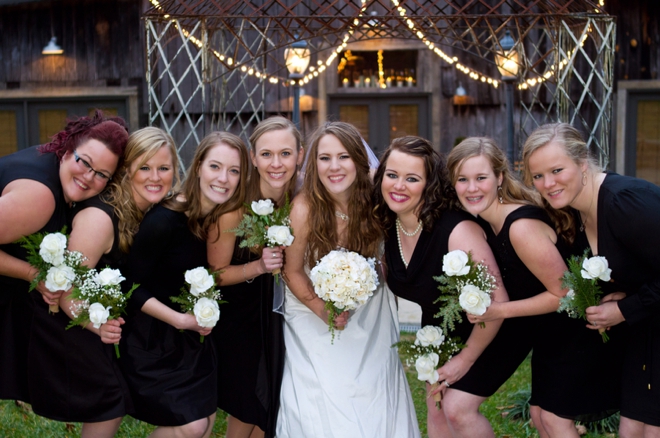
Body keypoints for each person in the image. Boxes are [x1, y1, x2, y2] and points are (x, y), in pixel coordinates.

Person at [447, 137, 623, 437]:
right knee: (542, 417)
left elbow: (565, 294)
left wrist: (498, 310)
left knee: (554, 421)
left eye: (481, 178)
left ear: (500, 177)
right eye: (462, 179)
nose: (471, 188)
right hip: (548, 332)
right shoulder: (489, 223)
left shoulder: (520, 227)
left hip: (576, 328)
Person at [26, 127, 179, 437]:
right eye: (144, 168)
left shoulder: (144, 210)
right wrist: (95, 325)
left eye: (164, 168)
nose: (155, 177)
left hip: (100, 323)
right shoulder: (100, 217)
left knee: (114, 401)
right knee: (110, 402)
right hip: (66, 323)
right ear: (127, 171)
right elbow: (64, 286)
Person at [276, 121, 420, 438]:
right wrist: (321, 308)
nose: (334, 167)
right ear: (314, 164)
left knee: (372, 392)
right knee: (325, 392)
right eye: (324, 158)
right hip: (311, 310)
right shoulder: (304, 208)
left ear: (359, 160)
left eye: (343, 157)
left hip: (371, 311)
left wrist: (367, 282)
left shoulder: (376, 202)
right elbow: (291, 270)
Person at [522, 122, 659, 438]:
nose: (548, 183)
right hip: (645, 332)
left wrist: (625, 309)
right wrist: (625, 296)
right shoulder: (579, 212)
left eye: (557, 170)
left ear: (582, 163)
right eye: (538, 176)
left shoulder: (625, 202)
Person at [372, 136, 507, 437]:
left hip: (490, 330)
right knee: (436, 411)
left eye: (412, 178)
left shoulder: (457, 230)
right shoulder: (390, 224)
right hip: (439, 330)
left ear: (429, 184)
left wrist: (465, 359)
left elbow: (497, 305)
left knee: (457, 411)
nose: (398, 185)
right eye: (392, 175)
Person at [118, 131, 249, 438]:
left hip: (190, 340)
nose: (224, 179)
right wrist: (180, 320)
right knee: (192, 426)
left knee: (203, 424)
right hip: (151, 339)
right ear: (198, 166)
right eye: (215, 167)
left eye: (234, 171)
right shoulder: (164, 220)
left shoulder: (216, 217)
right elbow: (129, 285)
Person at [0, 111, 128, 404]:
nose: (88, 177)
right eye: (85, 163)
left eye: (101, 175)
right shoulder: (40, 199)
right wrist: (33, 273)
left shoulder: (53, 164)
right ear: (68, 150)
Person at [208, 116, 303, 438]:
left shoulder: (304, 199)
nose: (276, 164)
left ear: (300, 155)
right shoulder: (235, 206)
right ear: (253, 157)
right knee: (249, 406)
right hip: (243, 320)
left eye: (286, 154)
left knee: (272, 411)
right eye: (266, 154)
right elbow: (214, 275)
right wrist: (259, 267)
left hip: (287, 318)